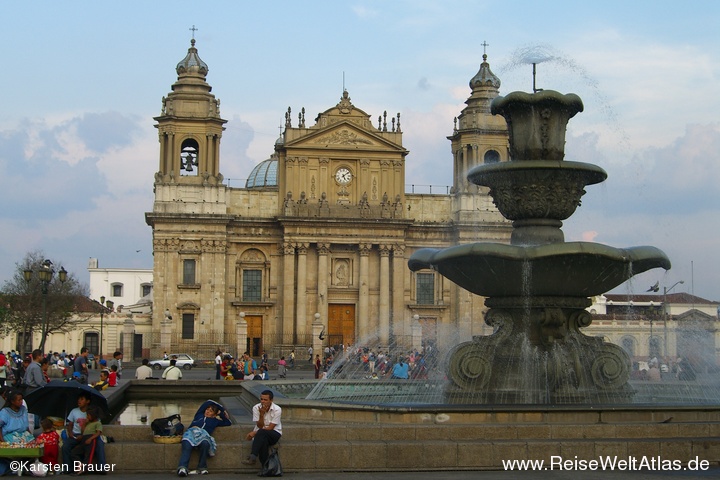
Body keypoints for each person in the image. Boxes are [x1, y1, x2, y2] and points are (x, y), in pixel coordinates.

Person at [176, 400, 231, 476]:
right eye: (207, 409)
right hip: (191, 433)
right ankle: (182, 468)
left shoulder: (215, 421)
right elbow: (208, 401)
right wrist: (222, 408)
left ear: (214, 415)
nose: (207, 411)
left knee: (205, 444)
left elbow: (228, 422)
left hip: (203, 436)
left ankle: (202, 467)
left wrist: (221, 414)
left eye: (211, 411)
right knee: (186, 444)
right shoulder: (199, 415)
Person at [241, 390, 282, 469]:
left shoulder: (277, 409)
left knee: (261, 433)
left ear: (271, 400)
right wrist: (261, 415)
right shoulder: (256, 408)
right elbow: (259, 426)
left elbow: (271, 428)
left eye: (265, 400)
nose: (263, 402)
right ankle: (265, 467)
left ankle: (253, 456)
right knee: (263, 441)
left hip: (274, 433)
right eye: (261, 399)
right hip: (261, 433)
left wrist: (255, 433)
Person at [70, 406, 102, 474]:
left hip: (91, 440)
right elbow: (83, 431)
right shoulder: (88, 423)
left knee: (88, 456)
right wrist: (84, 423)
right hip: (84, 439)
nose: (87, 417)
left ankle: (83, 470)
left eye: (88, 415)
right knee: (74, 452)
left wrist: (90, 439)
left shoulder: (97, 423)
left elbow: (98, 433)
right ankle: (80, 464)